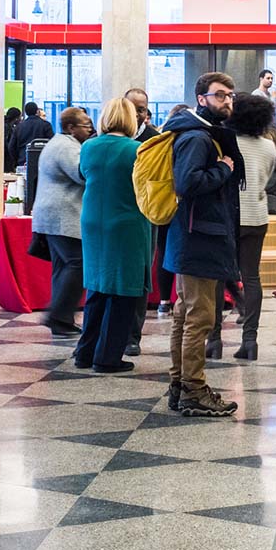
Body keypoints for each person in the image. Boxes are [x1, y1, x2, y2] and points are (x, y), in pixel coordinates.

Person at [162, 74, 243, 418]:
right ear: (201, 98)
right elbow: (188, 182)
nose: (227, 102)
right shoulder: (197, 137)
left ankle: (181, 383)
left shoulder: (201, 133)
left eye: (230, 96)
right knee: (200, 315)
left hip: (195, 235)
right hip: (199, 237)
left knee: (186, 312)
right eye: (220, 95)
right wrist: (224, 169)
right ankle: (193, 389)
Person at [73, 99, 152, 374]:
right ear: (133, 120)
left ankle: (85, 352)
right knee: (124, 290)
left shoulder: (89, 147)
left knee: (97, 286)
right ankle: (107, 357)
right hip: (126, 222)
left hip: (93, 221)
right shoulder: (138, 150)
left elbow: (83, 175)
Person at [223, 93, 276, 362]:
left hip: (230, 214)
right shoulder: (268, 146)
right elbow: (266, 178)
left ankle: (212, 339)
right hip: (257, 216)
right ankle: (250, 340)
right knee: (252, 277)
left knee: (218, 273)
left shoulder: (226, 141)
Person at [32, 107, 93, 338]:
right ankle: (57, 315)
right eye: (86, 125)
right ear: (70, 127)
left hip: (52, 217)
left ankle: (62, 320)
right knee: (78, 264)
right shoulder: (67, 146)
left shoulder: (57, 143)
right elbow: (82, 173)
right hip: (63, 217)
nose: (90, 129)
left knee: (63, 267)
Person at [124, 88, 159, 356]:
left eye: (143, 109)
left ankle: (132, 335)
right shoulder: (109, 136)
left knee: (140, 276)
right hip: (116, 216)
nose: (138, 113)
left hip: (145, 217)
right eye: (133, 107)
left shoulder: (155, 139)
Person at [155, 103, 190, 319]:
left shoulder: (161, 138)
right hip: (182, 201)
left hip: (162, 200)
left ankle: (163, 302)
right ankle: (182, 299)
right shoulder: (190, 139)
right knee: (182, 250)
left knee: (162, 250)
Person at [9, 101, 54, 167]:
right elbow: (52, 144)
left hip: (23, 161)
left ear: (26, 112)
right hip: (41, 162)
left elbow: (11, 147)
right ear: (37, 111)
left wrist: (17, 160)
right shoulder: (46, 125)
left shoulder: (19, 127)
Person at [3, 107, 21, 172]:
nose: (20, 119)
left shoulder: (4, 125)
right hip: (6, 160)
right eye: (20, 117)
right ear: (16, 118)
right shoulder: (8, 128)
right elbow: (9, 146)